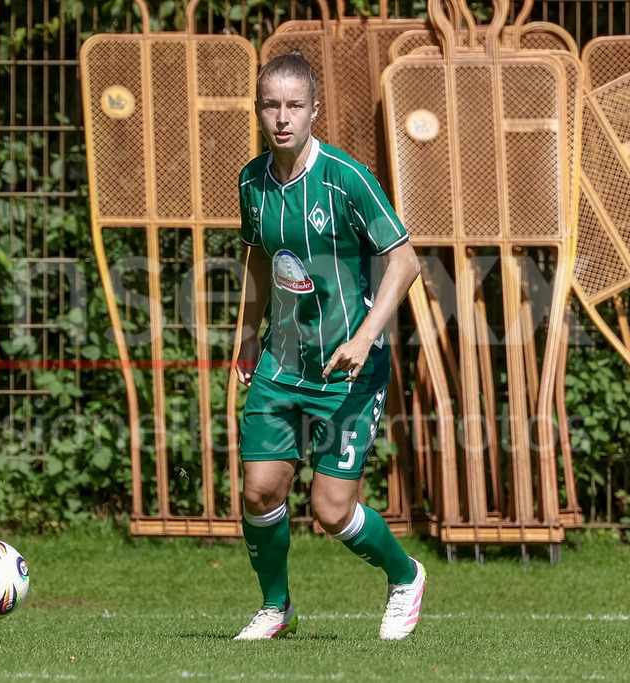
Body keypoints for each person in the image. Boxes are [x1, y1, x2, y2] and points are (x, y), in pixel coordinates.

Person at [232, 50, 425, 641]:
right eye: (271, 105)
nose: (282, 117)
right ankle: (276, 607)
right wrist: (245, 337)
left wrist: (367, 336)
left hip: (347, 368)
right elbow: (260, 259)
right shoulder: (250, 181)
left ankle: (405, 576)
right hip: (280, 363)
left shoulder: (346, 177)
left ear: (315, 110)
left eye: (294, 105)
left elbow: (405, 261)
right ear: (259, 110)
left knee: (331, 509)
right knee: (260, 489)